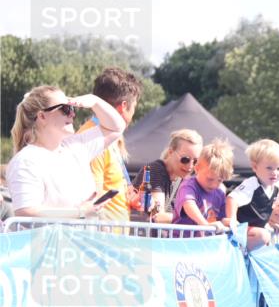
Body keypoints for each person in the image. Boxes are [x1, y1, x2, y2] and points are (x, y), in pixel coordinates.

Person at [8, 85, 126, 218]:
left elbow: (117, 127)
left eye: (72, 107)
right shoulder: (25, 161)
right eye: (65, 108)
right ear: (42, 116)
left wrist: (95, 102)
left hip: (83, 238)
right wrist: (79, 212)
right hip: (51, 239)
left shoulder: (75, 146)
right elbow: (25, 212)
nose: (72, 114)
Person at [77, 67, 142, 223]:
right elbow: (93, 196)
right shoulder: (93, 139)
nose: (133, 115)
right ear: (124, 106)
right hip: (103, 239)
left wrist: (130, 199)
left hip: (113, 238)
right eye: (134, 108)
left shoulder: (109, 136)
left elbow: (110, 186)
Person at [137, 129, 203, 223]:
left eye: (195, 161)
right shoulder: (155, 170)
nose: (190, 166)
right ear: (171, 152)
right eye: (185, 159)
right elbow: (158, 216)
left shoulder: (183, 177)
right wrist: (199, 220)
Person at [173, 139, 231, 230]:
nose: (214, 185)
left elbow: (222, 217)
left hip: (205, 241)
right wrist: (205, 225)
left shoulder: (219, 192)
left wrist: (226, 222)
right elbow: (189, 204)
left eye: (220, 180)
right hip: (182, 240)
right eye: (210, 179)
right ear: (197, 168)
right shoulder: (189, 186)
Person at [226, 139, 279, 229]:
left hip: (258, 229)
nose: (275, 173)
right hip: (243, 229)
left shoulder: (277, 186)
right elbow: (232, 199)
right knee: (263, 235)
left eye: (278, 168)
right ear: (255, 167)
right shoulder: (251, 184)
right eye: (269, 168)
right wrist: (232, 221)